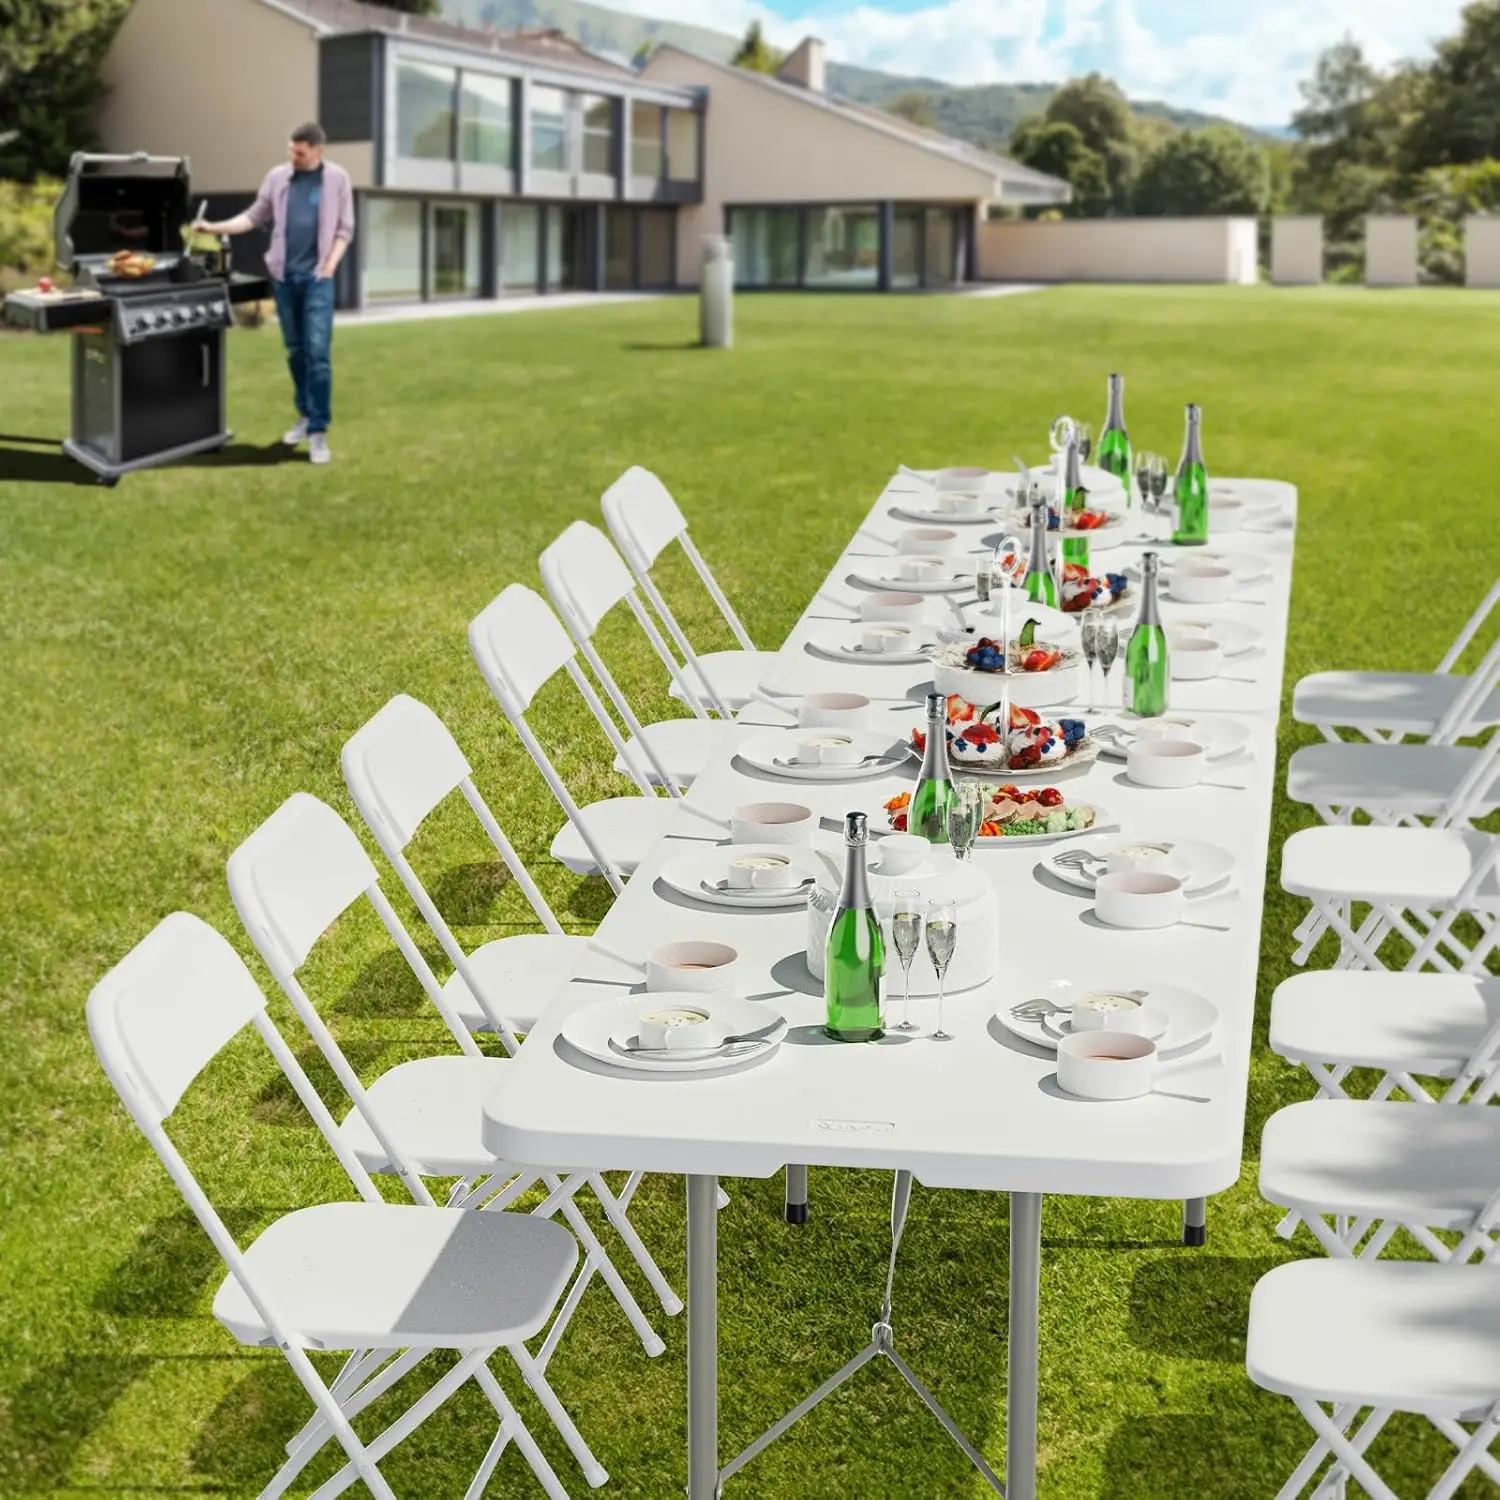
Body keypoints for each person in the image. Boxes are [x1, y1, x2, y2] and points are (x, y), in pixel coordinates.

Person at [197, 123, 354, 465]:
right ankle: (304, 413)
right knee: (296, 351)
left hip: (317, 280)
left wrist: (330, 265)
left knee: (318, 353)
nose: (293, 158)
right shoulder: (278, 177)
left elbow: (344, 229)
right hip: (284, 279)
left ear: (318, 151)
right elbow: (253, 217)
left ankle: (318, 431)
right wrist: (213, 227)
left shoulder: (337, 179)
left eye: (300, 153)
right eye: (290, 151)